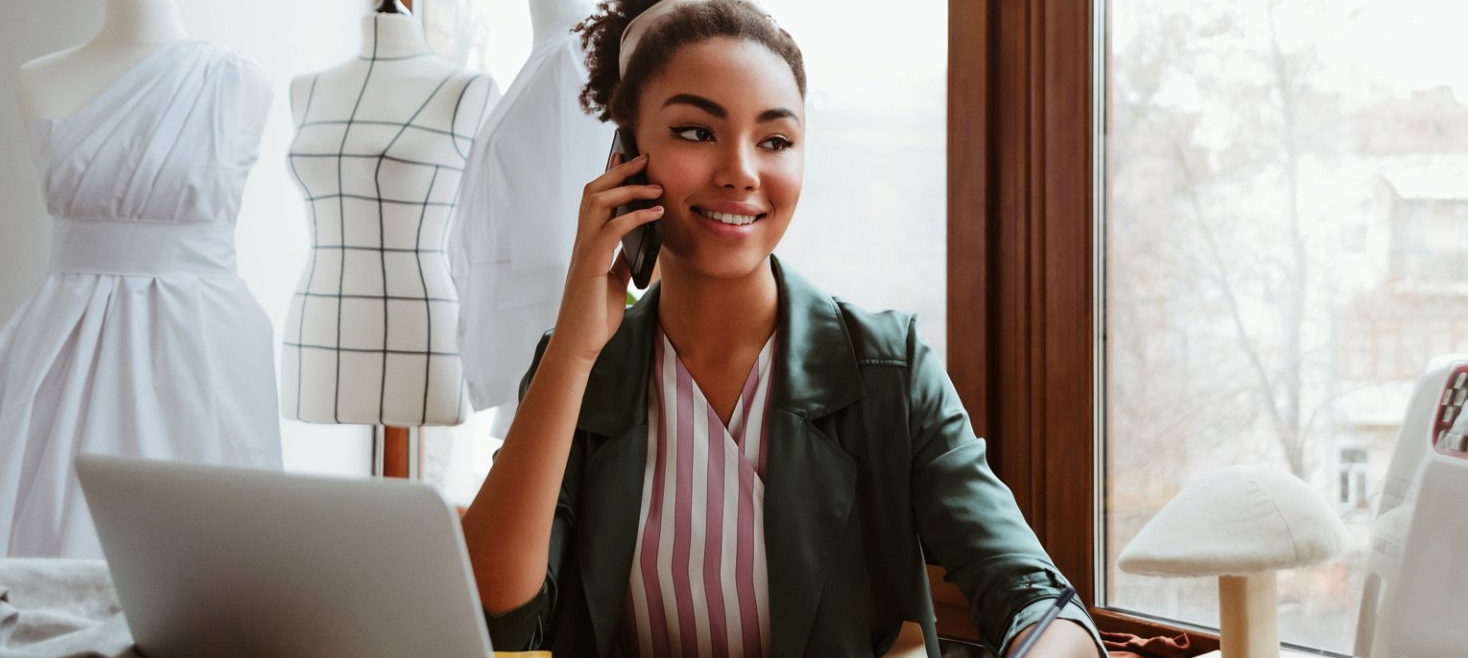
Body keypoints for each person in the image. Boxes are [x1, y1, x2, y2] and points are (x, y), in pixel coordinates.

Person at [457, 1, 1102, 656]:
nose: (741, 171)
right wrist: (571, 347)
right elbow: (489, 616)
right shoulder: (580, 370)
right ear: (625, 156)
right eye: (696, 132)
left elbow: (1035, 598)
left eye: (774, 141)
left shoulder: (889, 367)